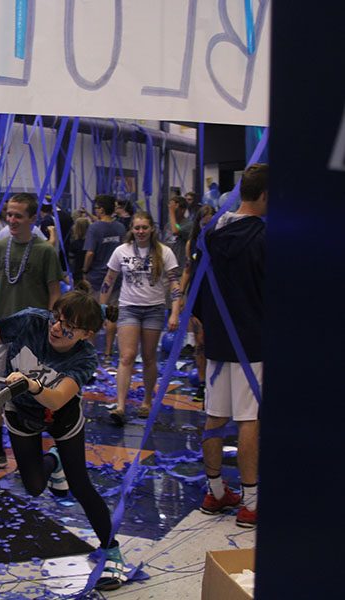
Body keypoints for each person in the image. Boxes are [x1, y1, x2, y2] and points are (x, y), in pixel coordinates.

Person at [0, 292, 127, 591]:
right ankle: (53, 463)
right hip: (22, 413)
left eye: (69, 327)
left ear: (87, 335)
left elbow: (59, 397)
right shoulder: (30, 321)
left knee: (80, 485)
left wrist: (33, 385)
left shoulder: (85, 357)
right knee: (35, 486)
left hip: (61, 417)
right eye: (57, 318)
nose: (57, 328)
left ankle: (111, 548)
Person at [196, 163, 267, 529]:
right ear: (266, 195)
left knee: (215, 417)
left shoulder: (211, 235)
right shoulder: (264, 238)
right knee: (249, 419)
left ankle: (216, 490)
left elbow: (198, 286)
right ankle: (252, 501)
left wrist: (201, 325)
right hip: (252, 341)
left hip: (218, 342)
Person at [0, 193, 63, 467]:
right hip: (1, 329)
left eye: (18, 215)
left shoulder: (45, 251)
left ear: (32, 218)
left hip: (32, 334)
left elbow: (54, 292)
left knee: (27, 393)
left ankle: (34, 454)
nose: (12, 220)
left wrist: (53, 327)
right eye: (9, 214)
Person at [99, 212, 182, 425]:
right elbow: (109, 279)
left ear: (151, 229)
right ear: (132, 229)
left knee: (148, 357)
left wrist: (174, 312)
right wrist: (101, 307)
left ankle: (147, 400)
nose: (141, 232)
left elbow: (174, 283)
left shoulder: (165, 252)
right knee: (126, 356)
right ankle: (120, 405)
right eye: (137, 228)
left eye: (144, 227)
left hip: (154, 309)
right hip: (128, 308)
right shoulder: (121, 251)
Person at [179, 205, 217, 402]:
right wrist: (180, 295)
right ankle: (202, 383)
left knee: (213, 340)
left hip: (215, 296)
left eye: (210, 220)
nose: (206, 224)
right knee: (199, 341)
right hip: (196, 295)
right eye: (203, 221)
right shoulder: (192, 243)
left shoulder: (220, 242)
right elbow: (187, 268)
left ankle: (214, 382)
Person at [82, 195, 126, 363]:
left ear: (100, 209)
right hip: (116, 277)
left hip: (96, 277)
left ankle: (91, 353)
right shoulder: (120, 228)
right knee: (112, 316)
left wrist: (84, 270)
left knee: (93, 316)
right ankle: (108, 353)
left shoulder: (94, 228)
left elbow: (90, 253)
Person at [163, 195, 192, 270]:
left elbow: (175, 231)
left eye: (175, 210)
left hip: (180, 269)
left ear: (183, 210)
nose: (173, 212)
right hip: (167, 269)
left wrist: (171, 212)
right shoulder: (168, 225)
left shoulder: (189, 224)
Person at [67, 217, 90, 285]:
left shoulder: (75, 244)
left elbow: (71, 261)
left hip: (78, 274)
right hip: (91, 273)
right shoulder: (92, 243)